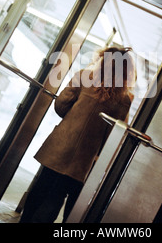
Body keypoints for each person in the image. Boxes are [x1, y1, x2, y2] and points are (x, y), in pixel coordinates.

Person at [19, 46, 136, 223]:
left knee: (40, 190)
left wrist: (74, 116)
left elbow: (61, 106)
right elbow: (114, 133)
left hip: (59, 147)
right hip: (85, 159)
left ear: (103, 61)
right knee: (57, 198)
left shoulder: (83, 76)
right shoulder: (124, 98)